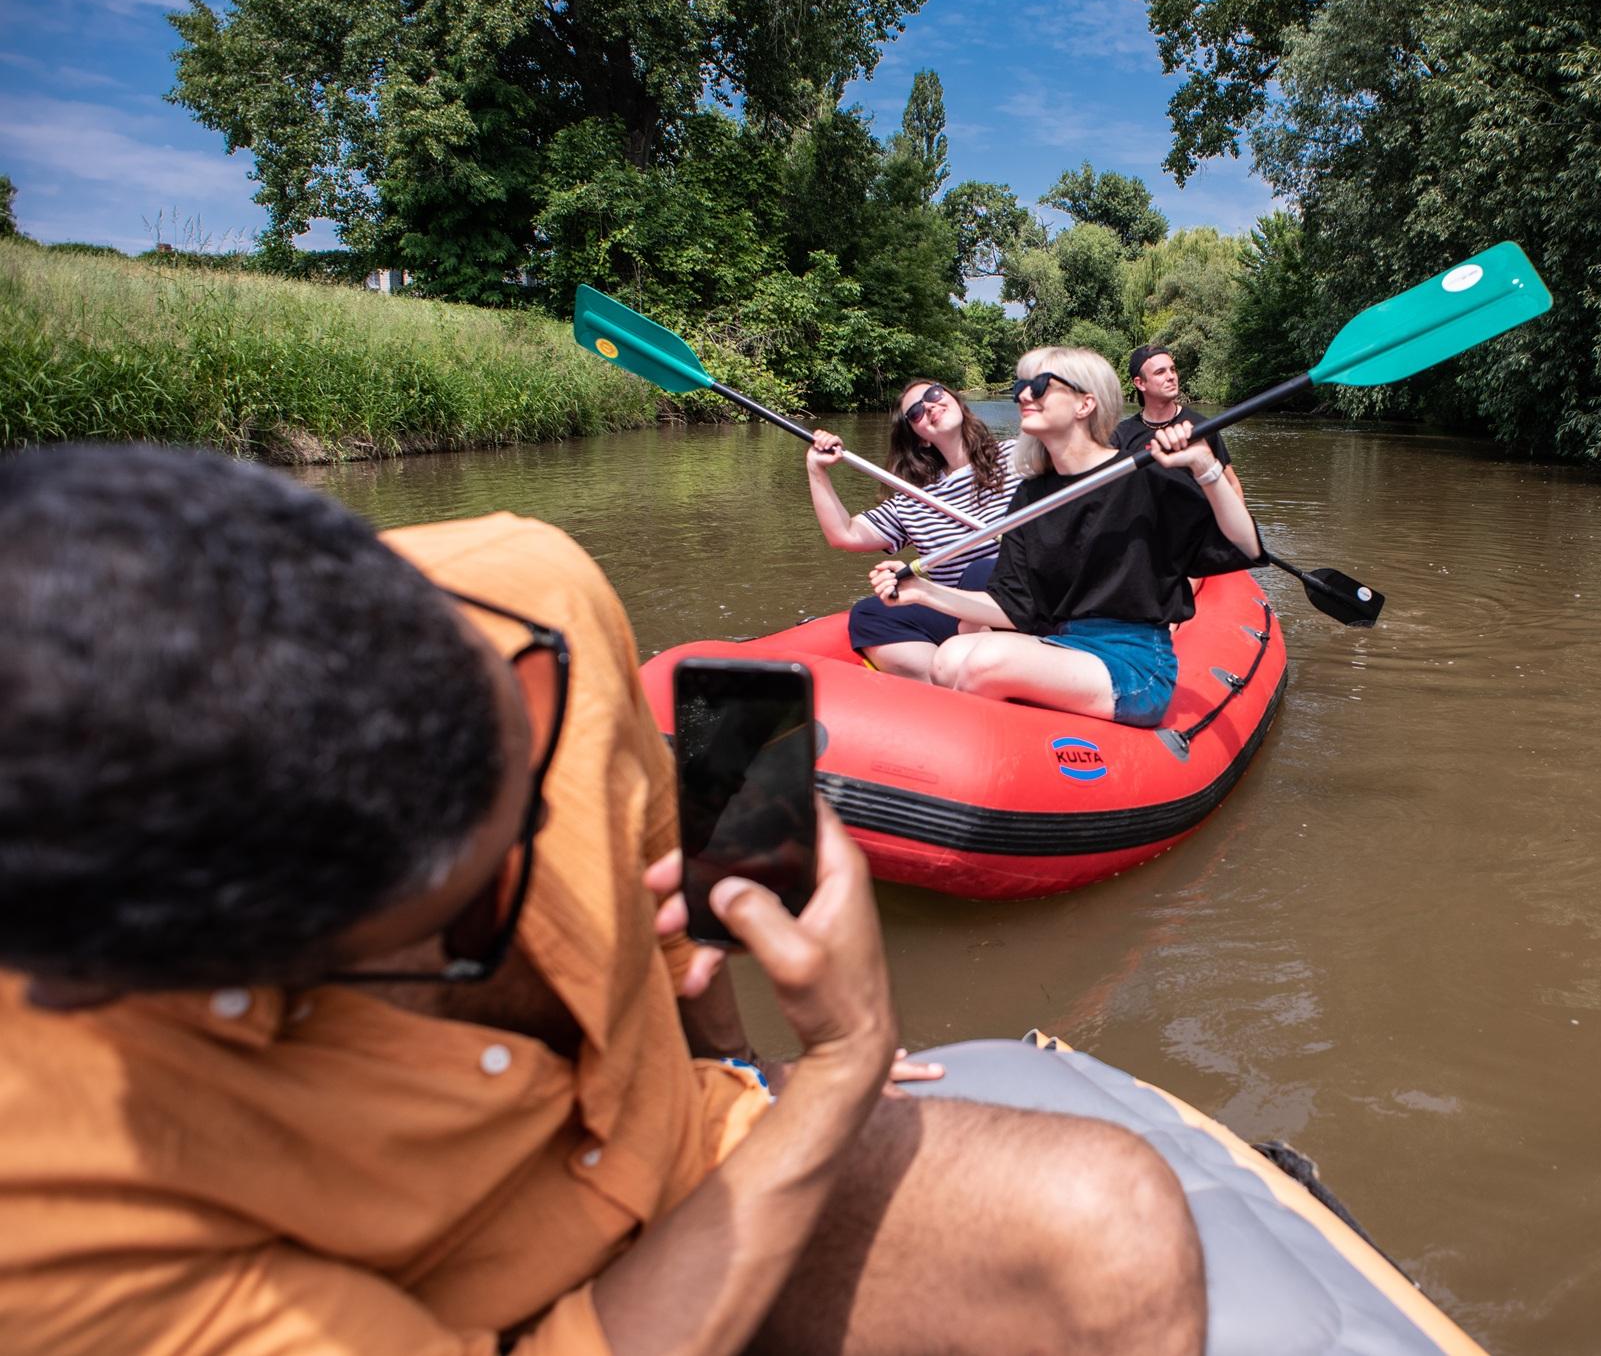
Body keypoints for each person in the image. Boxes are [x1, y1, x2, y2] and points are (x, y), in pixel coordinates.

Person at [0, 444, 1206, 1356]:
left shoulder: (525, 591)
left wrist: (746, 1069)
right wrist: (841, 1059)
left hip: (665, 1133)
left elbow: (677, 930)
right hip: (447, 1305)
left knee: (1116, 1220)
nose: (547, 764)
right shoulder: (52, 1208)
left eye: (527, 713)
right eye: (481, 882)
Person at [867, 347, 1262, 728]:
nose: (1023, 394)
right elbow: (1013, 607)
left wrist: (1204, 465)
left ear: (1084, 404)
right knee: (950, 657)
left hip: (1134, 663)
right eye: (1020, 386)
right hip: (1065, 644)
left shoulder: (1143, 472)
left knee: (986, 659)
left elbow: (1245, 545)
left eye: (1039, 385)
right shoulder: (1032, 495)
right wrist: (922, 591)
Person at [806, 378, 1018, 680]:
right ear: (920, 438)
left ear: (956, 400)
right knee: (869, 614)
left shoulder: (1019, 456)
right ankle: (945, 683)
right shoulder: (914, 500)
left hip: (1018, 602)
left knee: (981, 572)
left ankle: (978, 660)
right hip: (956, 610)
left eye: (934, 394)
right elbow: (844, 534)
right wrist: (817, 470)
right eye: (916, 412)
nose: (928, 406)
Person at [1114, 344, 1243, 498]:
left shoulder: (1201, 427)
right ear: (1140, 383)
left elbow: (1232, 484)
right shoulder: (1121, 435)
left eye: (1173, 369)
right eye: (1160, 372)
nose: (1171, 376)